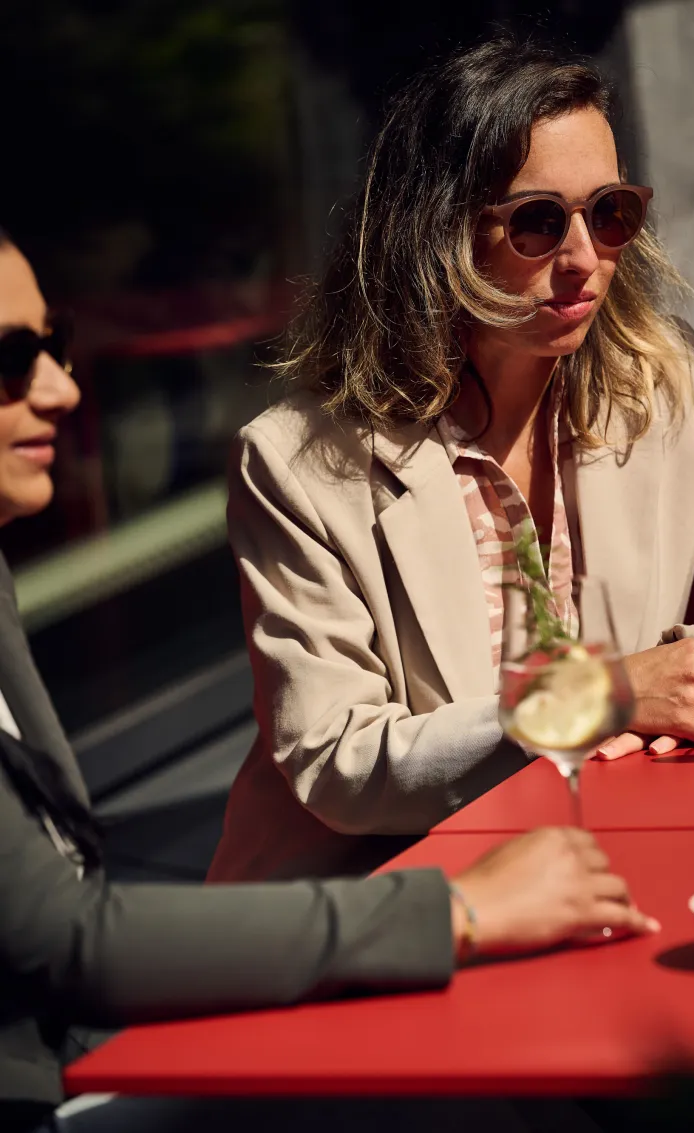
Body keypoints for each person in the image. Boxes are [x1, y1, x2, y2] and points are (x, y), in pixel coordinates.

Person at [0, 231, 658, 1132]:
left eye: (56, 343)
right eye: (11, 360)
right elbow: (67, 937)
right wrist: (459, 910)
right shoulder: (300, 454)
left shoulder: (659, 388)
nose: (62, 389)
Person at [207, 32, 694, 886]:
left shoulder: (663, 382)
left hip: (613, 848)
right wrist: (600, 699)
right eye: (539, 222)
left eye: (610, 213)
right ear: (436, 232)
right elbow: (338, 763)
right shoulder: (296, 463)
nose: (585, 259)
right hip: (391, 896)